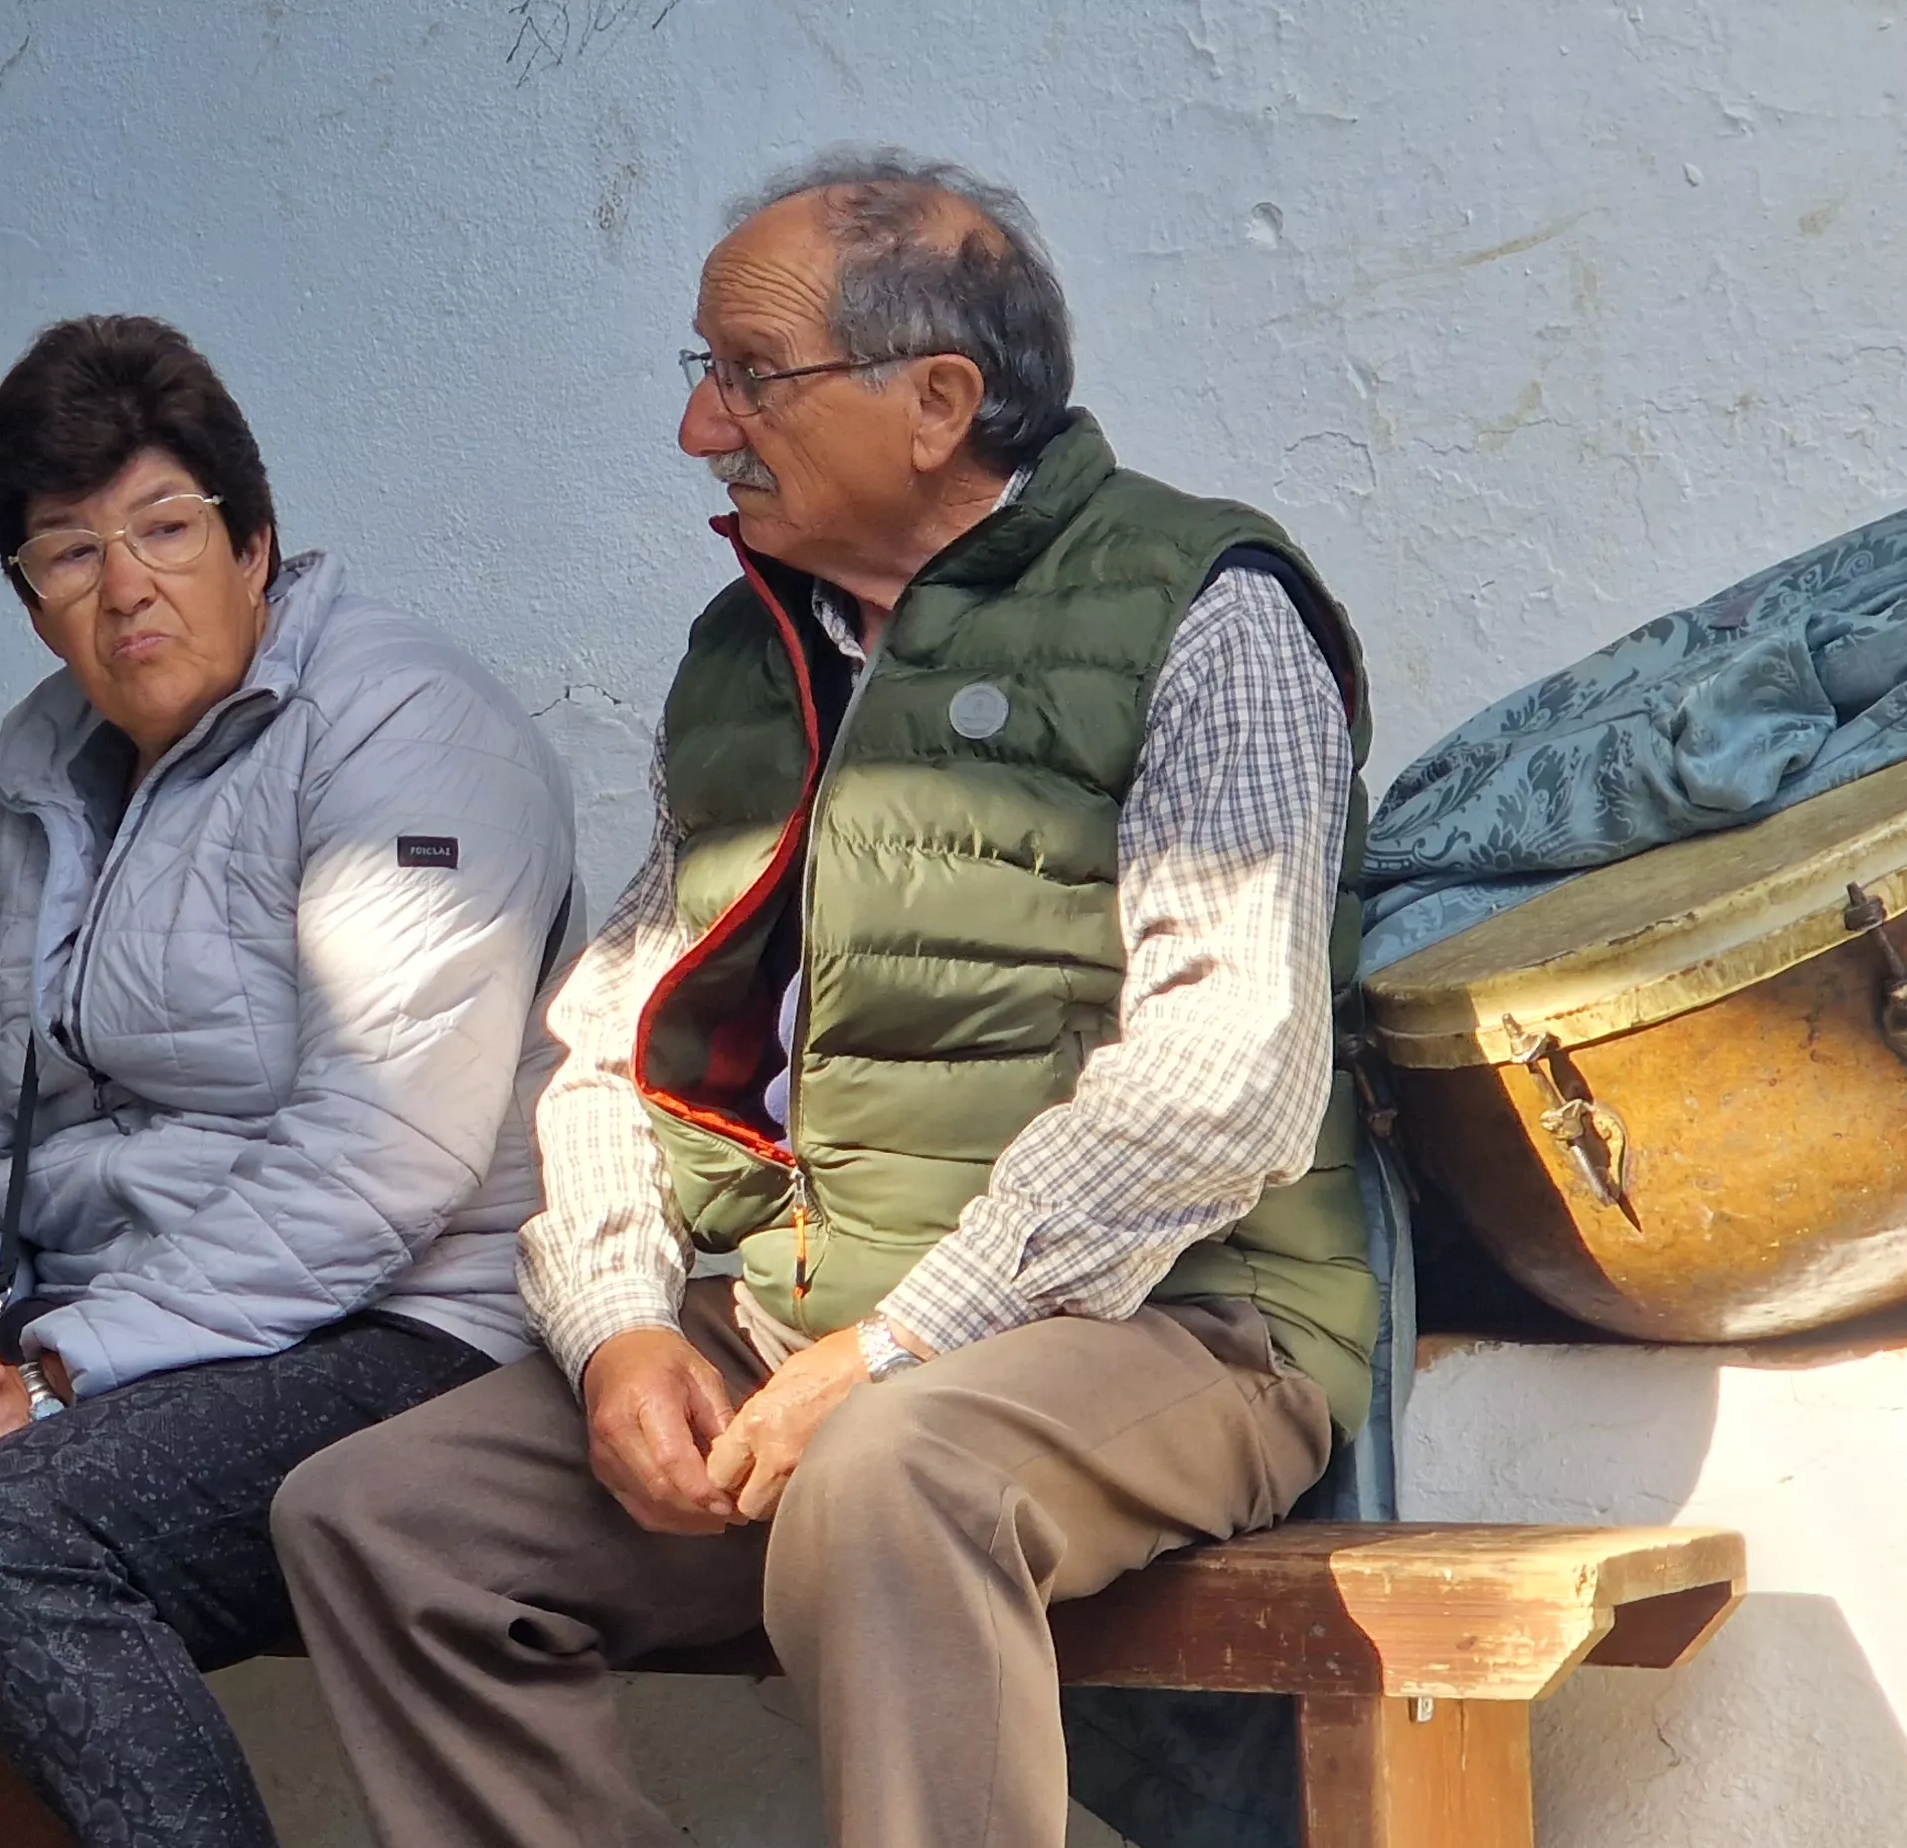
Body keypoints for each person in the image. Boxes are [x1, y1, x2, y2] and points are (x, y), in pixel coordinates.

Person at [275, 147, 1377, 1848]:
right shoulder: (747, 661)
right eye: (704, 374)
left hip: (1184, 1322)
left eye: (750, 376)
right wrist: (622, 1322)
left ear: (937, 400)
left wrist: (901, 1343)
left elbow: (1224, 1071)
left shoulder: (1206, 613)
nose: (705, 429)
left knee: (891, 1477)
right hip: (809, 1325)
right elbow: (612, 1032)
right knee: (382, 1519)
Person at [0, 315, 576, 1848]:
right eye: (68, 554)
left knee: (11, 1529)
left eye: (166, 529)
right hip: (95, 1344)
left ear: (256, 541)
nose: (126, 587)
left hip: (395, 1331)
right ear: (28, 597)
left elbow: (386, 1158)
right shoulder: (37, 787)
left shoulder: (406, 732)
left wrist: (59, 1376)